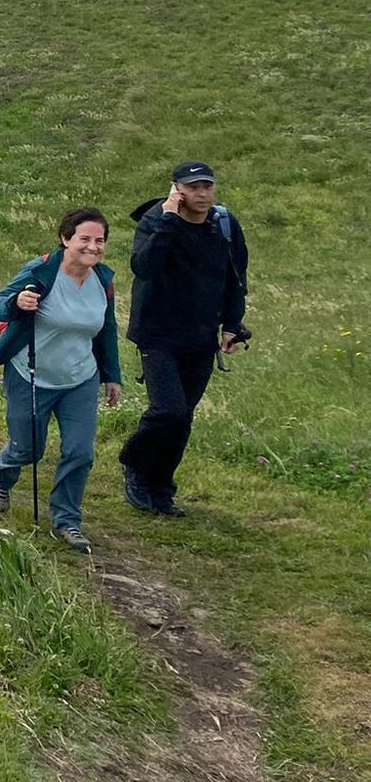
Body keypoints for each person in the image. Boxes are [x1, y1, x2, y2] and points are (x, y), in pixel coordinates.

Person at [0, 208, 124, 554]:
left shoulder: (103, 279)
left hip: (80, 378)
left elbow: (106, 329)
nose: (93, 246)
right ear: (66, 239)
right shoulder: (42, 270)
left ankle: (67, 520)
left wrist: (112, 377)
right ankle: (3, 474)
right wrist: (17, 302)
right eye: (85, 239)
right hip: (30, 374)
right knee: (28, 448)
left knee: (80, 452)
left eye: (99, 240)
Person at [117, 162, 252, 518]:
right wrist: (168, 221)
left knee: (183, 417)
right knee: (169, 410)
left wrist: (232, 323)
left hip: (200, 336)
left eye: (207, 186)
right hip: (157, 334)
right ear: (177, 190)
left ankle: (161, 487)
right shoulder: (155, 221)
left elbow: (236, 276)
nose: (202, 194)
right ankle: (134, 464)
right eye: (193, 187)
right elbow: (144, 267)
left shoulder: (224, 225)